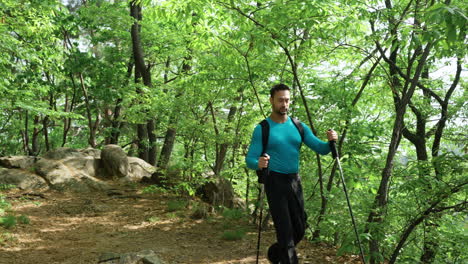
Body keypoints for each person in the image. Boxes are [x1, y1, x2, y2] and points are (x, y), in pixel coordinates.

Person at [245, 83, 338, 264]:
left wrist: (331, 142)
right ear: (271, 101)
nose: (284, 104)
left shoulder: (298, 126)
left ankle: (276, 253)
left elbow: (320, 148)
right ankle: (286, 256)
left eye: (287, 100)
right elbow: (250, 159)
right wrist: (259, 163)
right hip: (274, 182)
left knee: (300, 226)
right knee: (286, 232)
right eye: (280, 100)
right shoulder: (262, 128)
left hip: (294, 181)